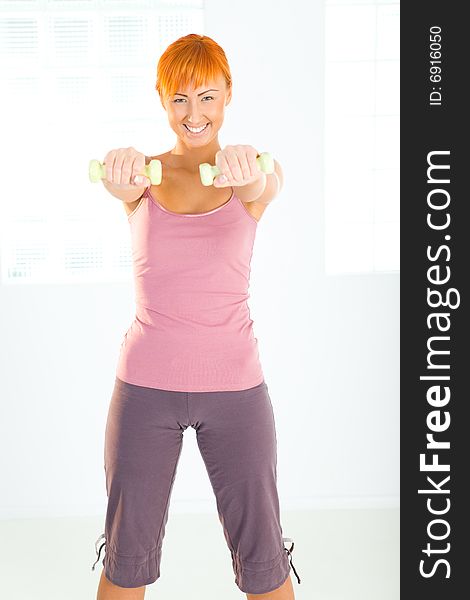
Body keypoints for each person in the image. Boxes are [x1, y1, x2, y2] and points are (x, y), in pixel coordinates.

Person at [92, 33, 300, 600]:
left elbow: (266, 184)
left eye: (207, 97)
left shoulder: (253, 173)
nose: (194, 113)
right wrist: (119, 177)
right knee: (125, 557)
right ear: (162, 101)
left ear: (228, 97)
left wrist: (249, 174)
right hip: (143, 389)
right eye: (180, 98)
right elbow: (120, 189)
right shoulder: (143, 179)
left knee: (264, 557)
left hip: (236, 387)